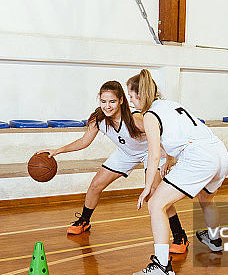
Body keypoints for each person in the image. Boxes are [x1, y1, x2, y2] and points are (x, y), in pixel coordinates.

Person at [39, 80, 188, 252]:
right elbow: (84, 141)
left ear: (121, 101)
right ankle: (84, 221)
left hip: (150, 152)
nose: (107, 106)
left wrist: (168, 158)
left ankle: (180, 236)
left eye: (112, 101)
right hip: (125, 153)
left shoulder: (135, 119)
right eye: (103, 101)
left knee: (155, 193)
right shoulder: (98, 119)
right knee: (95, 185)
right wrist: (57, 151)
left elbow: (161, 136)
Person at [129, 69, 228, 275]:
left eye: (131, 96)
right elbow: (182, 135)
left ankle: (162, 266)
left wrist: (148, 188)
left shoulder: (148, 116)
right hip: (219, 152)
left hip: (200, 158)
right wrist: (171, 161)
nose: (131, 102)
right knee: (207, 199)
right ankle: (214, 239)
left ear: (140, 95)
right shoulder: (171, 105)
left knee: (156, 204)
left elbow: (153, 154)